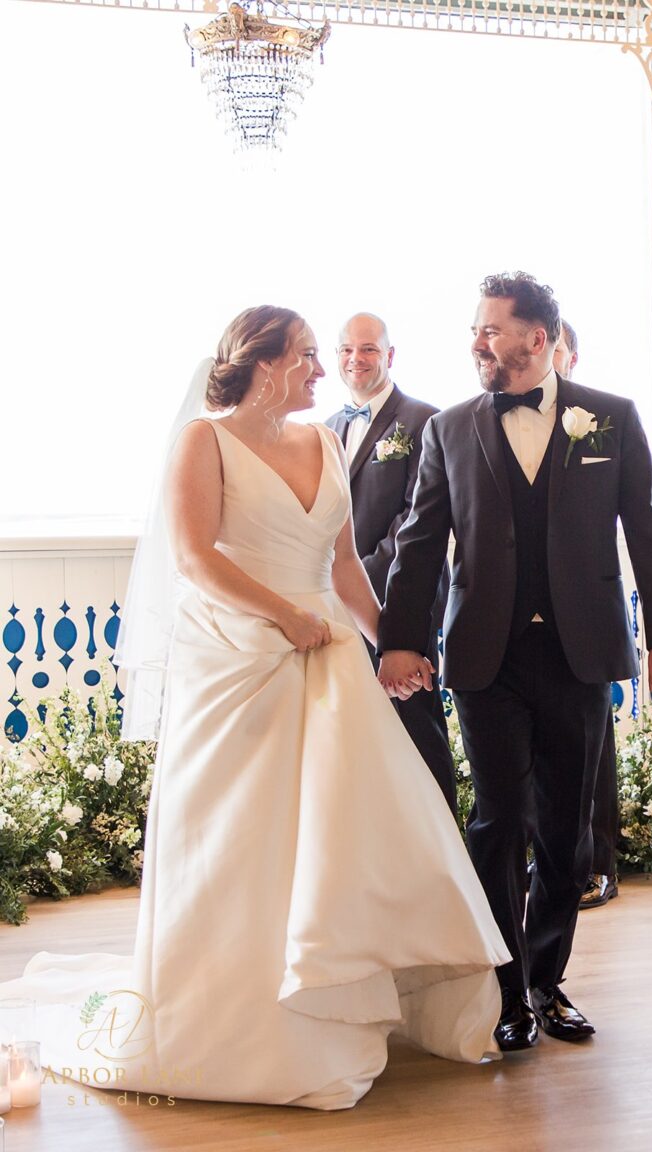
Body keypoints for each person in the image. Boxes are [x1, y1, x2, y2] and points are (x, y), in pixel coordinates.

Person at [0, 306, 510, 1109]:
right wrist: (284, 616)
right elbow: (196, 557)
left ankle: (341, 996)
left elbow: (344, 567)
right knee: (246, 834)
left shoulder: (329, 442)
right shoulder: (204, 440)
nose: (322, 370)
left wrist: (391, 647)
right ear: (266, 363)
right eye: (308, 356)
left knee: (353, 832)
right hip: (237, 659)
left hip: (327, 653)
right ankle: (239, 1015)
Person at [378, 272, 652, 1051]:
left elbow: (647, 532)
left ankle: (549, 982)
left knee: (564, 831)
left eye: (490, 328)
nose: (478, 342)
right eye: (477, 331)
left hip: (580, 653)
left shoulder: (608, 419)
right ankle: (507, 992)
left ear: (538, 338)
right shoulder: (449, 430)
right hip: (488, 655)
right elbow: (419, 544)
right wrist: (401, 641)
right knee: (498, 820)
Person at [326, 312, 456, 812]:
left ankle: (442, 836)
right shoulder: (326, 429)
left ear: (390, 355)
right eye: (346, 350)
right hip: (341, 601)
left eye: (368, 349)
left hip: (403, 598)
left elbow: (415, 524)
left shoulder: (423, 420)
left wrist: (352, 577)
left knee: (415, 719)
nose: (355, 359)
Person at [552, 319, 619, 910]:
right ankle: (548, 860)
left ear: (570, 354)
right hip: (519, 627)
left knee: (594, 758)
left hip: (588, 621)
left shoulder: (602, 420)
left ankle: (599, 864)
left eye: (559, 348)